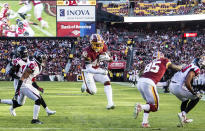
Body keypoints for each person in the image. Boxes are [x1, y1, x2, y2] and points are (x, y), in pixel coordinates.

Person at [134, 51, 182, 128]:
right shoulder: (164, 60)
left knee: (149, 103)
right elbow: (172, 66)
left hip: (140, 82)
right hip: (148, 83)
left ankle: (144, 122)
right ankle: (140, 107)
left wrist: (165, 84)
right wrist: (180, 67)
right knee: (155, 107)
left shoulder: (150, 63)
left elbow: (153, 80)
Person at [169, 55, 205, 127]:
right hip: (178, 87)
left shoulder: (188, 65)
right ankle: (183, 114)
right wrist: (193, 92)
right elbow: (187, 82)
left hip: (171, 86)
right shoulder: (196, 68)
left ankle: (183, 119)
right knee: (197, 97)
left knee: (185, 100)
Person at [81, 33, 115, 110]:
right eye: (96, 44)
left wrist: (108, 58)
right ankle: (85, 85)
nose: (98, 47)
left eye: (99, 44)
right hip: (87, 71)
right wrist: (102, 72)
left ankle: (110, 103)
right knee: (93, 92)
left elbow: (110, 58)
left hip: (96, 68)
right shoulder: (86, 52)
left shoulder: (103, 47)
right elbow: (89, 69)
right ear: (91, 43)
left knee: (107, 81)